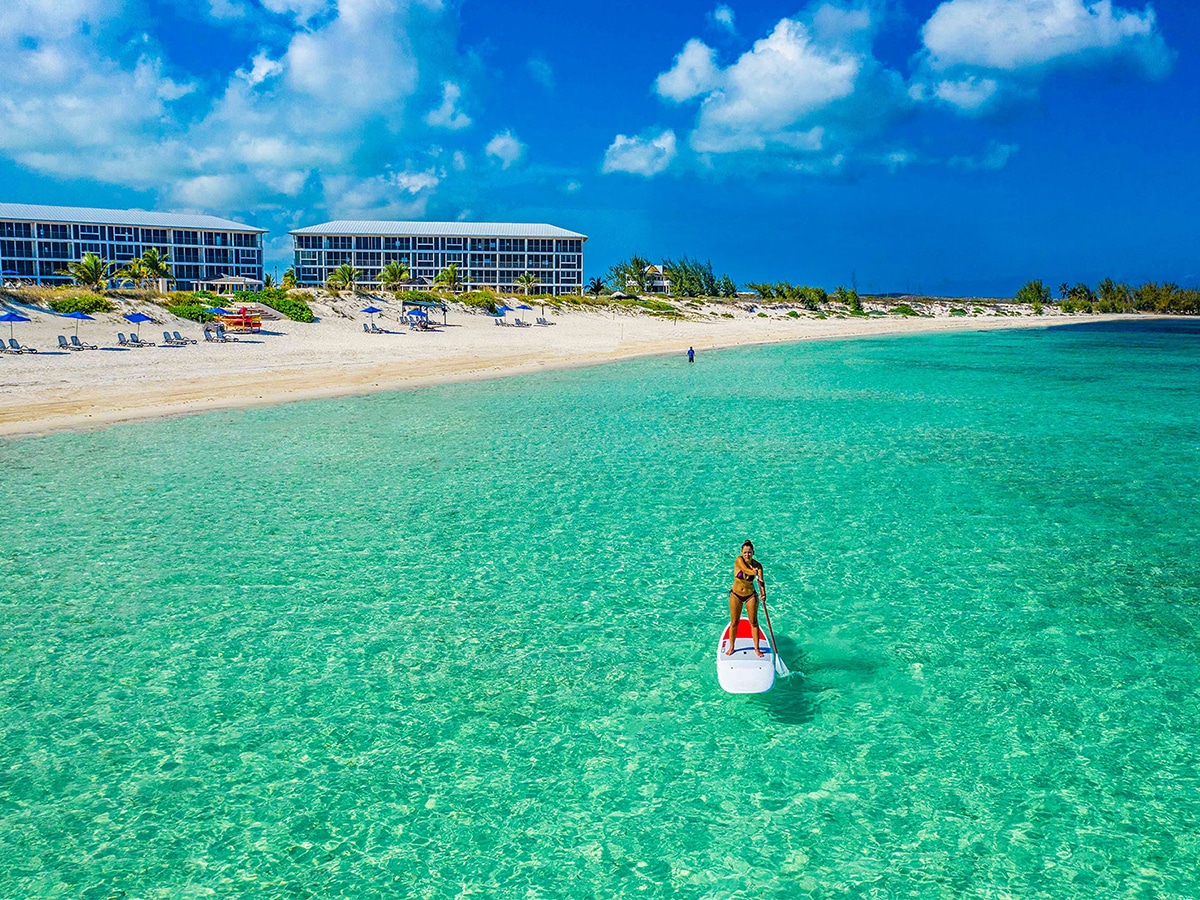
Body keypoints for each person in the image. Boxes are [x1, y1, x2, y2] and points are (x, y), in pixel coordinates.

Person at [725, 540, 765, 657]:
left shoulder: (758, 565)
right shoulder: (739, 560)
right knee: (734, 622)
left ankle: (757, 649)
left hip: (750, 595)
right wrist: (754, 572)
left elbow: (761, 582)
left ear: (753, 553)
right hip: (736, 595)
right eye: (745, 552)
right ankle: (732, 647)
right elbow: (745, 570)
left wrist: (763, 594)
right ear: (742, 553)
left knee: (754, 622)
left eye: (749, 552)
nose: (747, 555)